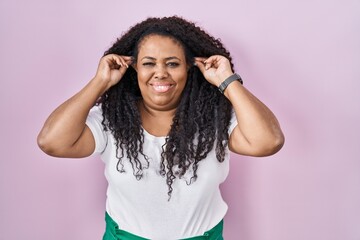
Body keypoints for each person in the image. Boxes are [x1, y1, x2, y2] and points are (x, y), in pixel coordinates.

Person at [37, 16, 284, 240]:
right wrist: (100, 81)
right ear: (134, 68)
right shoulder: (111, 119)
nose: (160, 73)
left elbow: (268, 142)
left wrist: (226, 81)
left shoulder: (216, 118)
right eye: (149, 63)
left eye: (172, 64)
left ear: (189, 67)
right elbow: (52, 142)